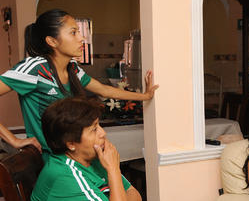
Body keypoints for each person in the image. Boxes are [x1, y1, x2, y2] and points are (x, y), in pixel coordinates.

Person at [0, 9, 159, 155]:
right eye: (73, 32)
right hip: (52, 157)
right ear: (52, 41)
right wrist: (14, 140)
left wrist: (145, 96)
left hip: (75, 154)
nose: (82, 38)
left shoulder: (72, 68)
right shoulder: (35, 68)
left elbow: (104, 90)